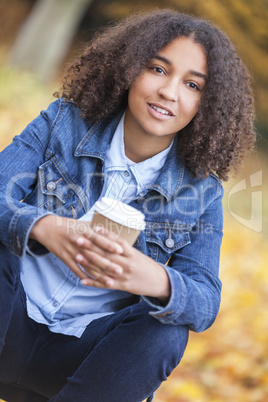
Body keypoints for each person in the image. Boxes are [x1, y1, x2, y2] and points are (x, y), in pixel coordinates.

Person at [0, 9, 255, 402]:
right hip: (9, 325)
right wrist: (41, 227)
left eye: (192, 84)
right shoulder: (63, 123)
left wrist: (153, 278)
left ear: (208, 103)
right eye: (157, 69)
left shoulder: (202, 191)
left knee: (167, 329)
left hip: (82, 360)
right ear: (129, 68)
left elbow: (205, 300)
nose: (169, 92)